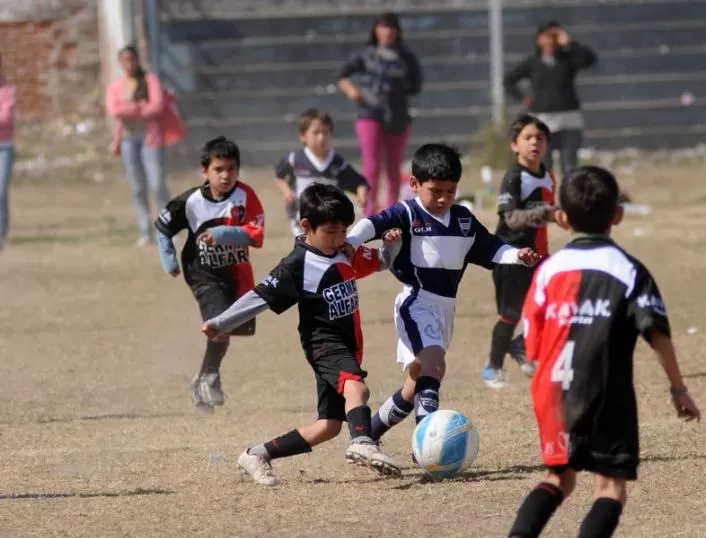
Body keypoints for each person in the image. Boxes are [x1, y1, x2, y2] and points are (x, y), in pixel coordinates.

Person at [491, 166, 701, 538]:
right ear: (618, 215)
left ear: (561, 219)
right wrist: (678, 389)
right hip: (605, 388)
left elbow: (528, 338)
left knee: (559, 477)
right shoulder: (627, 269)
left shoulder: (549, 270)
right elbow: (656, 331)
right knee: (610, 486)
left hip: (552, 387)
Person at [201, 184, 404, 485]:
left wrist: (391, 246)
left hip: (347, 344)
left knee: (329, 426)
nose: (339, 239)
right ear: (307, 226)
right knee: (357, 390)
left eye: (344, 231)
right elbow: (259, 297)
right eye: (331, 232)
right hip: (323, 343)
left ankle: (256, 454)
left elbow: (380, 262)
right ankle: (362, 442)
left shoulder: (344, 250)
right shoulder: (297, 265)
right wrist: (221, 322)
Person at [345, 143, 540, 449]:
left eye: (450, 192)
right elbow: (373, 223)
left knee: (415, 385)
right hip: (416, 302)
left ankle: (367, 434)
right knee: (435, 365)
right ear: (414, 184)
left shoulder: (463, 219)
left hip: (445, 309)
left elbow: (491, 247)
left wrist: (518, 255)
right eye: (435, 191)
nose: (442, 199)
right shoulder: (407, 212)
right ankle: (428, 447)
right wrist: (350, 242)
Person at [155, 137, 265, 412]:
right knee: (220, 323)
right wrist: (168, 258)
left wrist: (222, 234)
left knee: (238, 326)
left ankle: (203, 377)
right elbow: (163, 227)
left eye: (231, 168)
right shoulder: (191, 202)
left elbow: (257, 235)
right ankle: (211, 377)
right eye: (219, 169)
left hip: (236, 273)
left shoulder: (245, 196)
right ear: (205, 171)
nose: (226, 175)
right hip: (201, 272)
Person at [481, 114, 556, 389]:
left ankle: (521, 346)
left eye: (540, 137)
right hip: (511, 255)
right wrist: (546, 213)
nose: (534, 142)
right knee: (511, 314)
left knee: (549, 307)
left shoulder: (548, 176)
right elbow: (511, 218)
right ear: (514, 145)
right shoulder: (514, 177)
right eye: (528, 138)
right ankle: (493, 367)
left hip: (540, 256)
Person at [337, 12, 422, 216]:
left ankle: (391, 211)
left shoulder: (406, 57)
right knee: (372, 166)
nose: (387, 32)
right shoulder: (366, 54)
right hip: (370, 114)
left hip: (398, 117)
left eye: (391, 27)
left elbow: (416, 85)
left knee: (393, 167)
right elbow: (342, 75)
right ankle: (370, 212)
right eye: (383, 27)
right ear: (376, 30)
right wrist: (352, 91)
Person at [503, 22, 597, 178]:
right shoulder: (532, 63)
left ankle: (569, 198)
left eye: (555, 36)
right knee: (545, 166)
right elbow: (508, 80)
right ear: (539, 39)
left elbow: (590, 60)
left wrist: (570, 43)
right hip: (543, 119)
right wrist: (523, 98)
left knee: (569, 165)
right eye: (548, 35)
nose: (552, 40)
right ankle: (547, 200)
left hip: (569, 118)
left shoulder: (568, 59)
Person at [106, 45, 177, 246]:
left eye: (132, 60)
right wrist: (139, 108)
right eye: (124, 61)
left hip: (150, 139)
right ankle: (145, 231)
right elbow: (115, 111)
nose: (129, 65)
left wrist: (131, 109)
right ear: (120, 63)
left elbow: (157, 106)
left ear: (138, 60)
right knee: (137, 186)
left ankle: (168, 228)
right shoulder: (116, 87)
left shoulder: (150, 80)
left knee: (157, 183)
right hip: (129, 140)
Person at [273, 108, 369, 238]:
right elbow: (278, 175)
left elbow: (359, 182)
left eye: (325, 132)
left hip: (330, 220)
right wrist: (287, 191)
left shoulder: (338, 162)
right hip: (302, 219)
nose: (321, 137)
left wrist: (361, 194)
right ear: (303, 135)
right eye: (316, 133)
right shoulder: (294, 159)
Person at [0, 55, 15, 252]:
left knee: (0, 190)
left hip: (4, 146)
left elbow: (6, 118)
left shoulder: (8, 90)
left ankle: (1, 232)